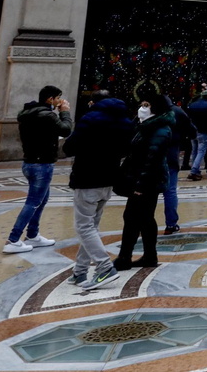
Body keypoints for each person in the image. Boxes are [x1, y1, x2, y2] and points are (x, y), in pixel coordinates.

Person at [63, 90, 132, 288]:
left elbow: (70, 147)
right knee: (91, 226)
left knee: (84, 227)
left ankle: (104, 268)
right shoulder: (125, 121)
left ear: (94, 102)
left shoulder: (90, 119)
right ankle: (80, 271)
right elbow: (128, 148)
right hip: (108, 178)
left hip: (87, 177)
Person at [4, 85, 73, 253]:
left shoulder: (29, 114)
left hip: (30, 162)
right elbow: (66, 129)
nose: (59, 101)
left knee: (41, 200)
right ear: (50, 99)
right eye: (57, 98)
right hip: (41, 164)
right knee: (33, 202)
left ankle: (33, 235)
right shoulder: (47, 115)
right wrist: (64, 112)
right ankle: (13, 239)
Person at [115, 84, 175, 271]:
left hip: (148, 182)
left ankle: (125, 257)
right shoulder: (146, 126)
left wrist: (140, 185)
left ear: (156, 108)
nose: (143, 108)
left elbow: (152, 160)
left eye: (147, 104)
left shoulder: (160, 130)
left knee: (135, 217)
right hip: (143, 179)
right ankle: (149, 256)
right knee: (143, 218)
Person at [163, 99, 194, 233]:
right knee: (170, 191)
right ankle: (171, 224)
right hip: (170, 155)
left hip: (150, 158)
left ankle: (144, 224)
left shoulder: (149, 112)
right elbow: (192, 130)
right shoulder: (177, 111)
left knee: (148, 193)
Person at [186, 91, 207, 180]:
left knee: (194, 150)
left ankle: (195, 169)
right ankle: (194, 170)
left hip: (193, 130)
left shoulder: (192, 105)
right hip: (203, 131)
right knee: (201, 151)